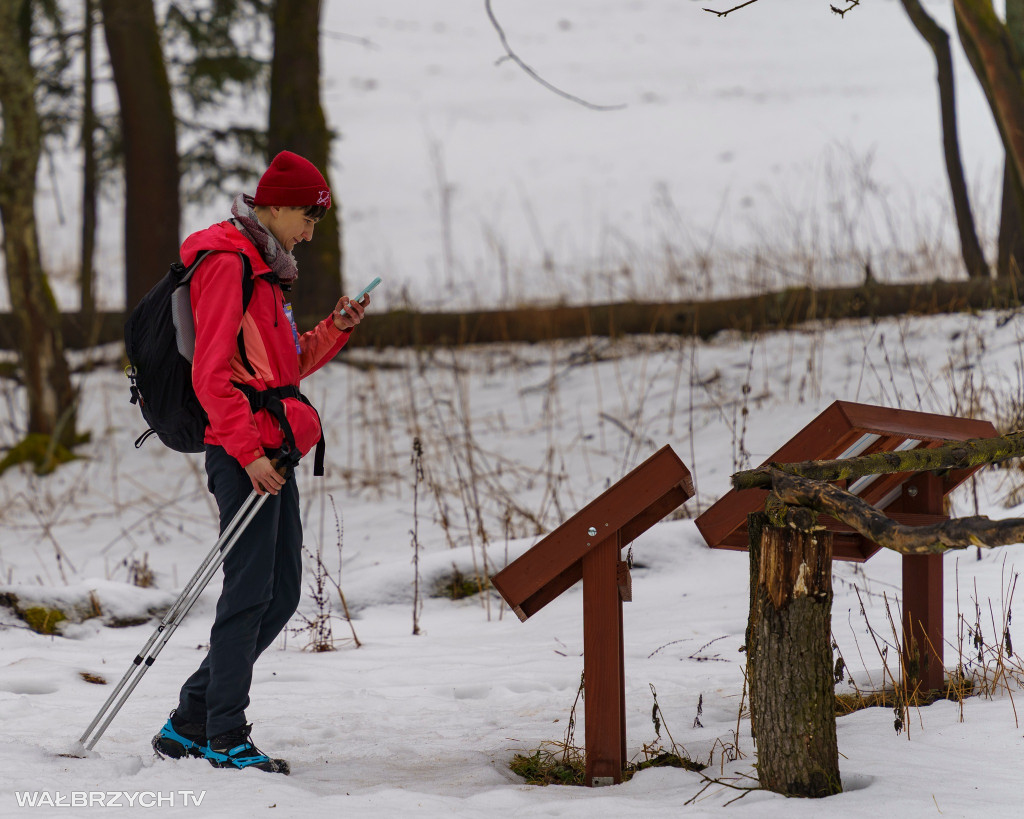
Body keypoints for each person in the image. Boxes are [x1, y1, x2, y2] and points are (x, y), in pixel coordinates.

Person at [151, 151, 368, 774]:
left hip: (274, 451)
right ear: (272, 206)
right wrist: (246, 453)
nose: (310, 232)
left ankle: (190, 722)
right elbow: (211, 373)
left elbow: (283, 368)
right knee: (249, 594)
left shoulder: (266, 270)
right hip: (244, 453)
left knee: (281, 593)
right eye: (307, 217)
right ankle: (225, 734)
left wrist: (336, 327)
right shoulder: (228, 263)